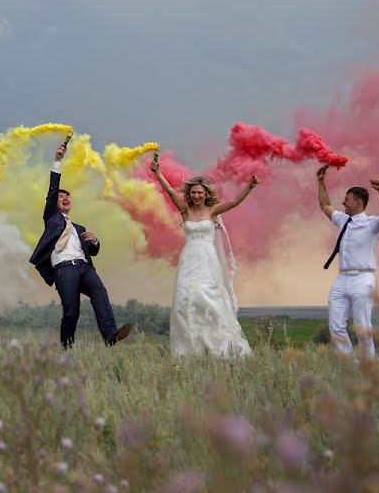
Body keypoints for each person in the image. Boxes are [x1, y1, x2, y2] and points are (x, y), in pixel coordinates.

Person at [150, 158, 258, 357]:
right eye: (193, 192)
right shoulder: (185, 210)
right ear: (190, 195)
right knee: (184, 299)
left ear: (206, 193)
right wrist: (157, 173)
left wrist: (250, 186)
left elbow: (234, 202)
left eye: (200, 192)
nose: (197, 195)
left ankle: (219, 346)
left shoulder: (213, 211)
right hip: (189, 260)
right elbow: (171, 192)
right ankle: (189, 349)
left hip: (207, 260)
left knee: (209, 298)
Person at [29, 143, 133, 349]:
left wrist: (95, 241)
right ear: (53, 203)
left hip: (85, 267)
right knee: (72, 311)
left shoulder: (79, 227)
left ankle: (110, 335)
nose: (65, 197)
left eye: (67, 196)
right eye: (61, 196)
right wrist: (58, 162)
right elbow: (52, 191)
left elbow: (92, 250)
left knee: (99, 292)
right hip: (64, 268)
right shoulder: (52, 219)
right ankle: (66, 348)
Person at [317, 165, 379, 359]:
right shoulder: (343, 220)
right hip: (341, 279)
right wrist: (320, 182)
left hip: (363, 279)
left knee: (362, 326)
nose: (343, 201)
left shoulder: (371, 223)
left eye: (347, 199)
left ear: (358, 202)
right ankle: (348, 365)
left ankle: (367, 365)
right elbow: (325, 206)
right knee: (335, 325)